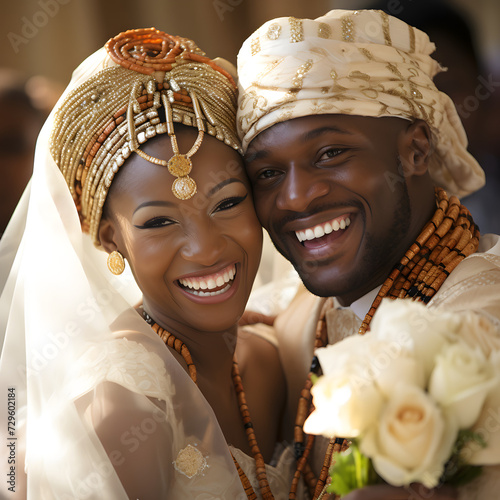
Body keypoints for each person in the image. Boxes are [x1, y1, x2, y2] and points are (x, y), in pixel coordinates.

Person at [0, 28, 304, 500]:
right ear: (110, 240)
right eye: (159, 222)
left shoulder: (269, 358)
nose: (204, 248)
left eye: (226, 204)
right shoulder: (123, 404)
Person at [236, 9, 500, 500]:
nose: (295, 198)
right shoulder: (304, 311)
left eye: (330, 153)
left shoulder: (482, 321)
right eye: (267, 173)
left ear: (416, 151)